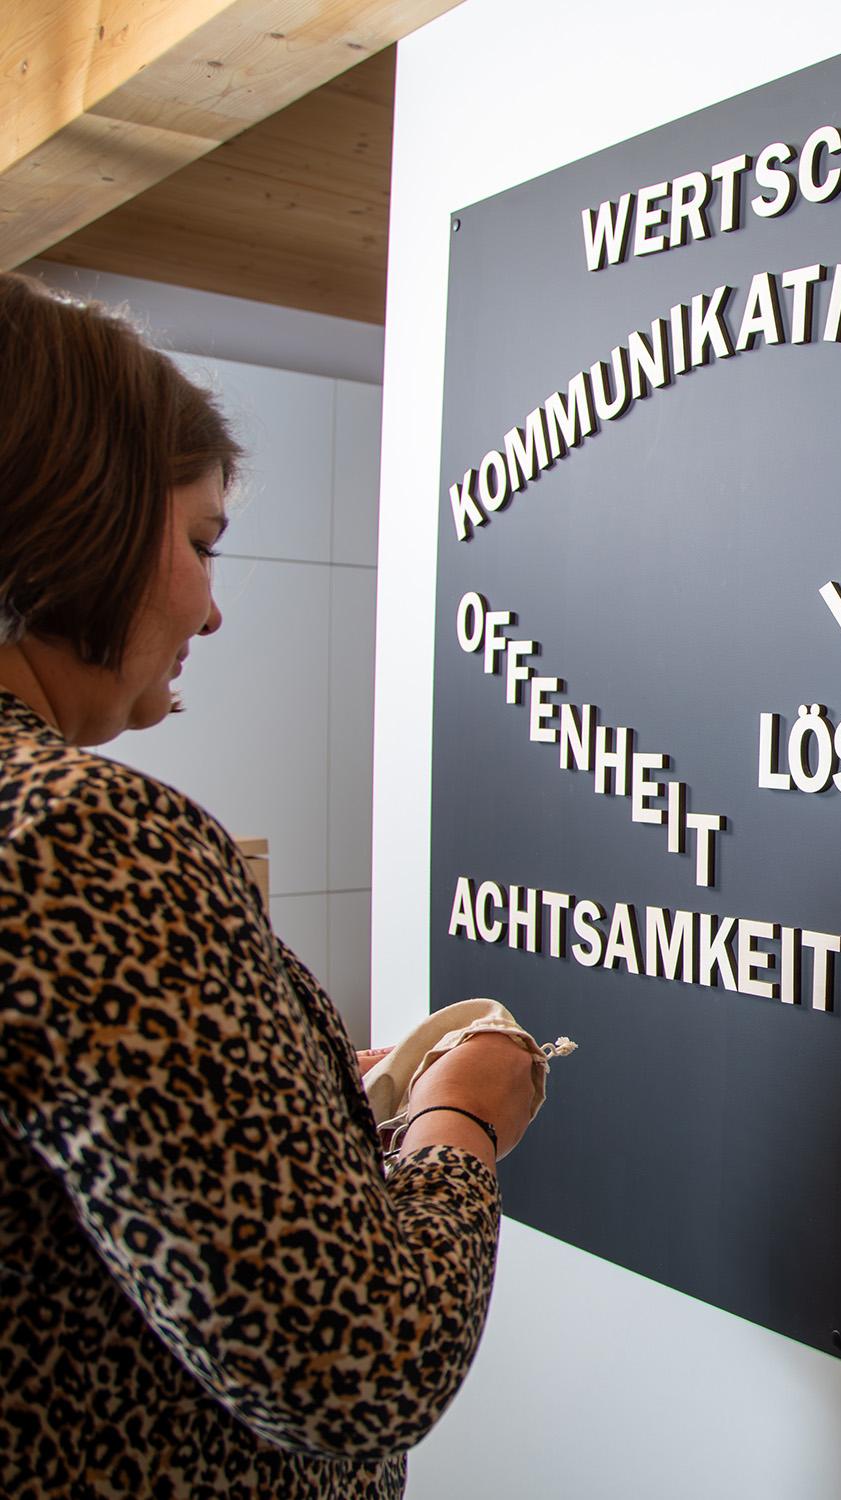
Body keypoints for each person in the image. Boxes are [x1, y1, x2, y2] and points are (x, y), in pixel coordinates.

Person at [0, 271, 537, 1498]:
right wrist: (460, 1121)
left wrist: (304, 1101)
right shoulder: (88, 837)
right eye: (197, 543)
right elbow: (357, 1363)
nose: (210, 609)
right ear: (78, 519)